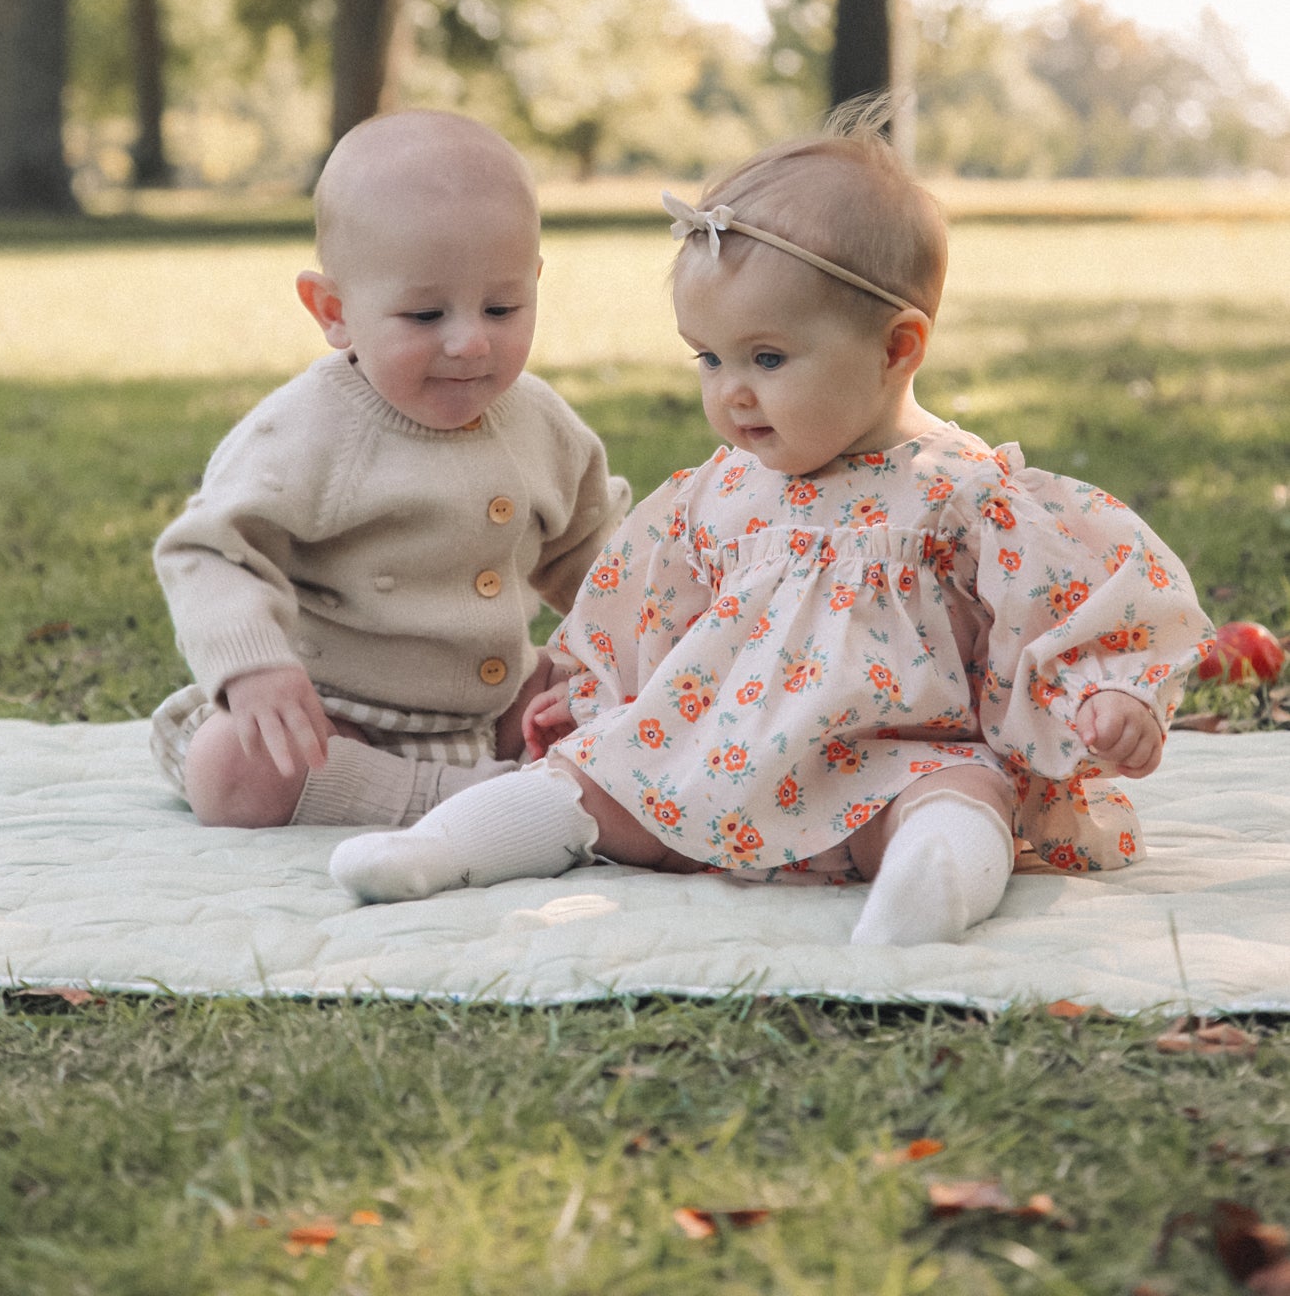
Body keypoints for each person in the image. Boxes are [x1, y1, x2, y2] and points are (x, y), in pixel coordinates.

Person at [329, 106, 1213, 944]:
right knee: (588, 777)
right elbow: (648, 609)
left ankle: (931, 882)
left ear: (897, 347)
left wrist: (1108, 692)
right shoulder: (714, 494)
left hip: (887, 763)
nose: (730, 392)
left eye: (766, 358)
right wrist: (592, 685)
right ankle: (444, 849)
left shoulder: (961, 494)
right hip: (710, 761)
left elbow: (1075, 596)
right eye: (708, 358)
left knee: (963, 791)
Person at [150, 110, 629, 832]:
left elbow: (594, 561)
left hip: (495, 705)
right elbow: (208, 554)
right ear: (334, 310)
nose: (469, 342)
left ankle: (522, 775)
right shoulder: (310, 430)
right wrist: (254, 667)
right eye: (424, 314)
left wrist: (621, 661)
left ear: (534, 281)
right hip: (336, 714)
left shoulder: (542, 426)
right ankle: (463, 800)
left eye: (501, 307)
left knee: (613, 711)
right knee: (233, 771)